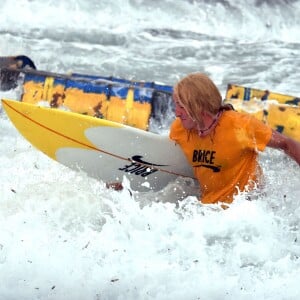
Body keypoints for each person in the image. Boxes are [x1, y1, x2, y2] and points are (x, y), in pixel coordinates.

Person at [170, 72, 300, 205]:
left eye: (181, 106)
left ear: (200, 104)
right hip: (208, 211)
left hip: (246, 209)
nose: (177, 113)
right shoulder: (179, 129)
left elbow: (286, 143)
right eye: (176, 105)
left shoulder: (240, 127)